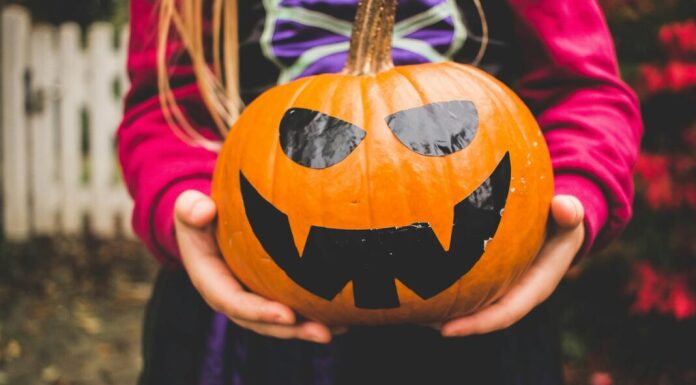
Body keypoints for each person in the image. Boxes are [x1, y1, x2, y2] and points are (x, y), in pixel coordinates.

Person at [118, 0, 643, 384]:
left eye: (438, 133)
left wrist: (577, 193)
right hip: (245, 321)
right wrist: (182, 205)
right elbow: (165, 110)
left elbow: (585, 91)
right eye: (315, 141)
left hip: (482, 317)